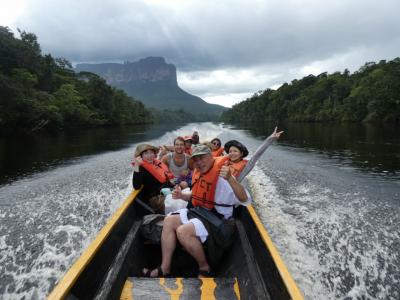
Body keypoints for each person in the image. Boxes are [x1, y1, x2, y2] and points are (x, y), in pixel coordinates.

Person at [142, 144, 251, 278]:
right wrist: (182, 196)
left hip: (219, 220)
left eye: (202, 158)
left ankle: (205, 268)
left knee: (183, 231)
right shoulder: (200, 174)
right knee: (169, 220)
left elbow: (245, 200)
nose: (199, 162)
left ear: (211, 157)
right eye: (196, 159)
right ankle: (165, 268)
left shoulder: (224, 175)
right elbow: (196, 196)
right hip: (201, 213)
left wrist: (230, 179)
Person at [132, 144, 174, 214]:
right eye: (146, 153)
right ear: (140, 156)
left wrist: (174, 186)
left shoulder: (156, 164)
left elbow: (165, 180)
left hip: (165, 193)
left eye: (151, 153)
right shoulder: (141, 169)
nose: (149, 156)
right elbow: (136, 186)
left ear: (154, 154)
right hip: (155, 199)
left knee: (184, 195)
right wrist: (136, 166)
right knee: (177, 202)